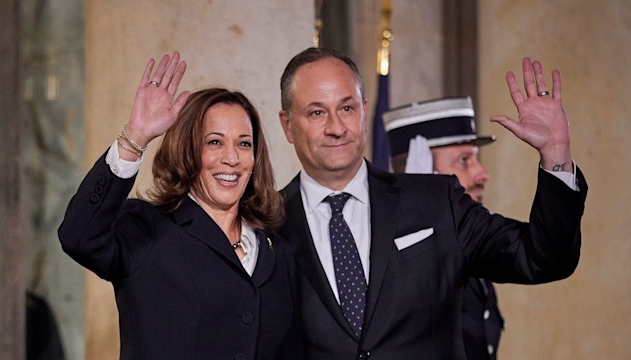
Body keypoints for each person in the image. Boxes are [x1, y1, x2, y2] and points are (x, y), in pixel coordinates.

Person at [276, 47, 587, 360]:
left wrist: (556, 154)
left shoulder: (437, 202)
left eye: (347, 108)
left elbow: (543, 257)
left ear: (364, 111)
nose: (336, 127)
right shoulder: (265, 223)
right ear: (287, 125)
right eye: (317, 112)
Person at [58, 52, 302, 359]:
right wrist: (136, 137)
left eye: (244, 143)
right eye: (214, 142)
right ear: (188, 150)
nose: (232, 158)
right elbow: (78, 236)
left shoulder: (276, 250)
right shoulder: (147, 229)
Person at [383, 96, 504, 359]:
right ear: (427, 173)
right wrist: (420, 211)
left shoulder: (468, 239)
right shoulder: (385, 249)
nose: (482, 174)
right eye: (464, 160)